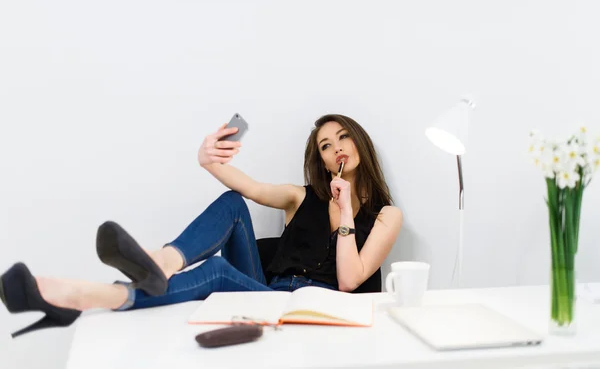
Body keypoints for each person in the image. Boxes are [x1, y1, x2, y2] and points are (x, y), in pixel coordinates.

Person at [0, 114, 403, 338]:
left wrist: (347, 211)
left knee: (215, 272)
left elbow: (349, 282)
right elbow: (248, 187)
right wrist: (209, 159)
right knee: (232, 202)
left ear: (360, 144)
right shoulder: (301, 197)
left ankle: (85, 294)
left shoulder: (386, 215)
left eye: (342, 138)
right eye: (325, 146)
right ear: (322, 160)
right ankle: (162, 261)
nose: (335, 149)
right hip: (266, 289)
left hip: (313, 309)